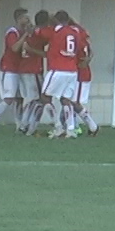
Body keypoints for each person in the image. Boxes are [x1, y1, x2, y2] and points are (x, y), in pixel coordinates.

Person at [29, 10, 84, 139]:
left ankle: (58, 126)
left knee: (45, 97)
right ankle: (70, 130)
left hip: (58, 69)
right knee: (66, 99)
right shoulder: (75, 32)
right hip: (72, 71)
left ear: (56, 20)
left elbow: (37, 32)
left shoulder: (54, 30)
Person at [0, 8, 32, 135]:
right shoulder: (12, 32)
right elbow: (15, 48)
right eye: (25, 18)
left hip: (20, 69)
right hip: (9, 69)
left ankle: (19, 125)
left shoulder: (24, 33)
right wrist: (26, 35)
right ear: (19, 19)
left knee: (19, 98)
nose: (28, 20)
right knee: (8, 98)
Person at [17, 10, 51, 133]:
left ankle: (25, 124)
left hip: (24, 68)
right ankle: (25, 124)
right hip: (33, 69)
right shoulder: (38, 35)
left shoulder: (28, 33)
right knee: (36, 99)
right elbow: (45, 51)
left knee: (30, 98)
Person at [68, 18, 99, 136]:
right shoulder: (83, 38)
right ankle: (76, 125)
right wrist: (89, 59)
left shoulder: (77, 40)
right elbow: (91, 52)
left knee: (74, 102)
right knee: (71, 102)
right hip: (80, 72)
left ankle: (91, 126)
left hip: (81, 74)